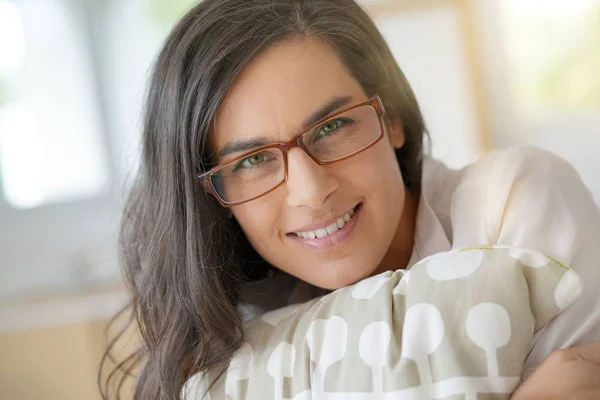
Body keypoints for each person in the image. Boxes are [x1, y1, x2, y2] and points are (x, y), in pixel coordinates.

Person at [99, 0, 600, 399]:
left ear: (393, 117)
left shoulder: (511, 201)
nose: (312, 191)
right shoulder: (236, 330)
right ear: (213, 196)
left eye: (332, 126)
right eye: (252, 161)